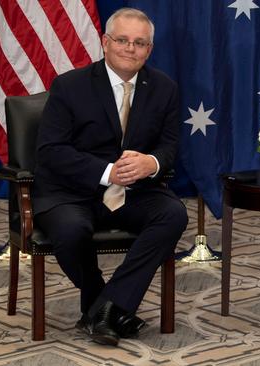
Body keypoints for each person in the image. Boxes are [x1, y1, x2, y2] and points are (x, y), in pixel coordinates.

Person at [32, 8, 187, 346]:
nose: (130, 49)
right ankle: (104, 303)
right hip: (70, 191)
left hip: (134, 191)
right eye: (122, 40)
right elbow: (50, 151)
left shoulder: (165, 88)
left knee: (173, 213)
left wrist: (152, 163)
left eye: (140, 43)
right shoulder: (70, 86)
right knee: (72, 230)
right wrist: (106, 172)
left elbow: (170, 146)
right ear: (105, 42)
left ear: (149, 49)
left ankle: (105, 309)